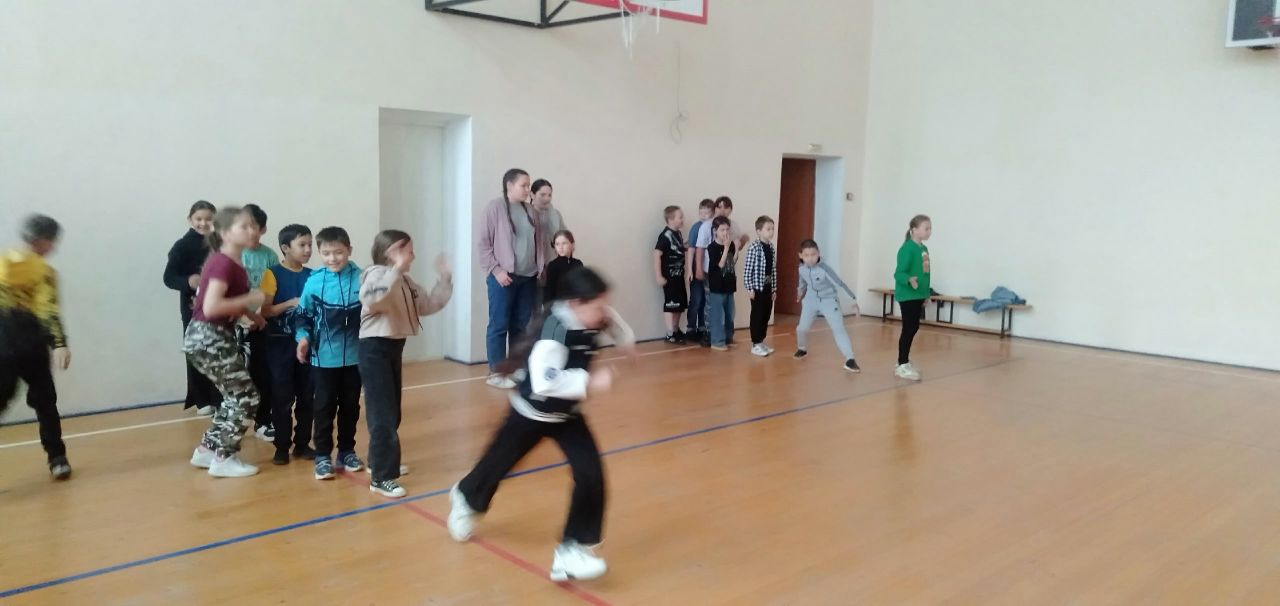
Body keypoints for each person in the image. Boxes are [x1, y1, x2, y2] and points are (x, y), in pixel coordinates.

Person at [447, 267, 619, 582]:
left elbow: (612, 320)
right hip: (532, 412)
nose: (604, 312)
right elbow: (544, 381)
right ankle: (466, 496)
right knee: (498, 464)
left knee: (590, 474)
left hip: (567, 414)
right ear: (576, 303)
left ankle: (572, 551)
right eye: (598, 307)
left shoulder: (588, 315)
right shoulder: (555, 332)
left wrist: (628, 340)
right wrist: (590, 381)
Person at [358, 230, 452, 498]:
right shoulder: (375, 275)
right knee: (383, 414)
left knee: (391, 412)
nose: (413, 256)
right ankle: (381, 477)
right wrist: (396, 269)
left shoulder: (405, 282)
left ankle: (378, 461)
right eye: (408, 251)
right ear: (393, 253)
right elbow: (371, 299)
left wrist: (445, 279)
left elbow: (429, 304)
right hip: (374, 348)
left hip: (393, 347)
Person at [186, 207, 267, 478]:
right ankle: (224, 457)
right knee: (247, 397)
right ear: (224, 233)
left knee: (234, 395)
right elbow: (211, 307)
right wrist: (250, 299)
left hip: (208, 337)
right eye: (244, 226)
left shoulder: (232, 262)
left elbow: (228, 300)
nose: (251, 230)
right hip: (209, 337)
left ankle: (208, 449)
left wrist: (252, 315)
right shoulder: (223, 262)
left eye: (253, 225)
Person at [0, 214, 73, 479]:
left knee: (42, 400)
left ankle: (57, 457)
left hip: (14, 343)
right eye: (52, 241)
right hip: (22, 343)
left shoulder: (4, 262)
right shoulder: (43, 271)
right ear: (43, 241)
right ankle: (57, 458)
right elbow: (47, 309)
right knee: (45, 402)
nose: (53, 247)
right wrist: (59, 343)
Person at [296, 226, 365, 481]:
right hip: (323, 359)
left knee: (350, 407)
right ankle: (323, 455)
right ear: (320, 253)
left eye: (338, 252)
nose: (332, 258)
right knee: (323, 408)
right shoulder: (314, 282)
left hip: (356, 358)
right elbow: (302, 317)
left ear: (349, 250)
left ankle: (346, 451)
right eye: (326, 253)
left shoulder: (363, 279)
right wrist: (303, 339)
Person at [477, 168, 544, 389]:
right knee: (499, 324)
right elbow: (483, 244)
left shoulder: (531, 211)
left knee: (521, 326)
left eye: (528, 185)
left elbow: (539, 242)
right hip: (502, 278)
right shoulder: (494, 208)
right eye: (523, 185)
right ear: (509, 186)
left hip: (528, 278)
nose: (527, 189)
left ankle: (514, 369)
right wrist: (497, 270)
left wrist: (540, 268)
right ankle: (497, 371)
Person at [259, 224, 315, 464]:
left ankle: (302, 444)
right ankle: (281, 447)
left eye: (310, 245)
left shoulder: (313, 275)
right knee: (282, 397)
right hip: (279, 345)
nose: (308, 249)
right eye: (302, 245)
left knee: (307, 396)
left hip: (307, 344)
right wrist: (291, 302)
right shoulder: (272, 274)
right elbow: (265, 311)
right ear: (285, 248)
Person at [163, 200, 219, 415]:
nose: (203, 223)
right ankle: (202, 399)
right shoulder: (182, 246)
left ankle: (220, 397)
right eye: (199, 219)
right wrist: (188, 282)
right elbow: (168, 277)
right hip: (193, 307)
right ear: (190, 220)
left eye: (208, 219)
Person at [794, 239, 862, 373]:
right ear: (800, 255)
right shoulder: (801, 268)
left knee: (839, 329)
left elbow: (840, 284)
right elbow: (802, 282)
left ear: (818, 253)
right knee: (801, 329)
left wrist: (852, 300)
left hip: (829, 301)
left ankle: (850, 359)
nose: (810, 258)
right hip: (810, 301)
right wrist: (799, 293)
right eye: (806, 255)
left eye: (813, 254)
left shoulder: (824, 269)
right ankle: (802, 348)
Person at [894, 215, 932, 381]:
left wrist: (926, 294)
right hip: (907, 295)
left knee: (914, 327)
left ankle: (903, 361)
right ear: (914, 230)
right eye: (926, 228)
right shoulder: (907, 249)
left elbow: (926, 273)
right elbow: (899, 273)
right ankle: (901, 364)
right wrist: (909, 279)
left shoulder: (924, 249)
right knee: (909, 328)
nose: (929, 231)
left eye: (930, 228)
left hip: (918, 295)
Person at [742, 216, 777, 357]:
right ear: (759, 231)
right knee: (758, 314)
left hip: (768, 287)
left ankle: (761, 341)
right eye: (768, 229)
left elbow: (773, 270)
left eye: (772, 229)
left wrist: (774, 289)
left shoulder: (771, 247)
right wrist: (749, 288)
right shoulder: (754, 247)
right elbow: (748, 270)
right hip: (757, 288)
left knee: (766, 314)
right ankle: (755, 343)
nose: (771, 231)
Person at [653, 205, 688, 343]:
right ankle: (669, 333)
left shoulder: (678, 234)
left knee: (680, 304)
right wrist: (659, 276)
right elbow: (657, 254)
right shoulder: (665, 236)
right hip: (669, 277)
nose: (683, 219)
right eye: (680, 217)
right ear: (671, 219)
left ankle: (675, 329)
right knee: (671, 304)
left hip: (679, 276)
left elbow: (678, 249)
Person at [543, 230, 582, 305]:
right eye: (557, 244)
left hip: (575, 304)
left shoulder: (578, 263)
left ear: (572, 245)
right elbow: (549, 291)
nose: (560, 247)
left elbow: (581, 286)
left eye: (564, 243)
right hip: (559, 305)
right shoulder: (553, 265)